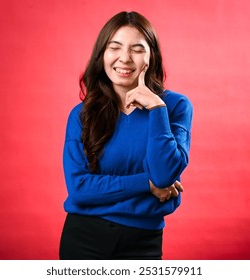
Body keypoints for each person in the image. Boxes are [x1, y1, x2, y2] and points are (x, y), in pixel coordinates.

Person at [60, 11, 193, 260]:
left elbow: (164, 174)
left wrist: (156, 108)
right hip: (84, 238)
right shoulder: (82, 114)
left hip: (143, 241)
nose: (125, 58)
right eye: (115, 47)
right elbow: (79, 188)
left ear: (152, 56)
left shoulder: (174, 107)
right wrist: (147, 184)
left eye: (137, 49)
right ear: (102, 55)